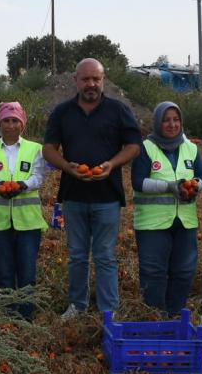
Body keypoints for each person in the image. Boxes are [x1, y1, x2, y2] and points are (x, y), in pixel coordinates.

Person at [42, 58, 142, 319]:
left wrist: (112, 164)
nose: (91, 84)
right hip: (73, 194)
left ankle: (109, 308)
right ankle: (77, 305)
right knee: (76, 255)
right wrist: (67, 166)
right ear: (76, 81)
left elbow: (133, 146)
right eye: (86, 79)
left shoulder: (118, 110)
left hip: (107, 195)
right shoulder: (62, 112)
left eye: (96, 79)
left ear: (103, 80)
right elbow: (49, 149)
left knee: (105, 255)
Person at [131, 101, 202, 315]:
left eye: (176, 120)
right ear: (157, 122)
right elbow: (138, 181)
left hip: (184, 221)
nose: (172, 124)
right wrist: (169, 187)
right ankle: (155, 315)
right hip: (152, 223)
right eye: (166, 120)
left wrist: (194, 187)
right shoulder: (146, 147)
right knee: (153, 272)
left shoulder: (190, 148)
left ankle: (174, 314)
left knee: (184, 271)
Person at [0, 101, 48, 319]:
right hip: (0, 221)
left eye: (15, 121)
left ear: (22, 124)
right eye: (6, 121)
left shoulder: (34, 149)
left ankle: (26, 316)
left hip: (28, 222)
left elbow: (38, 177)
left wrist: (22, 186)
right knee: (5, 271)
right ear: (0, 124)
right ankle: (7, 315)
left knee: (27, 271)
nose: (10, 125)